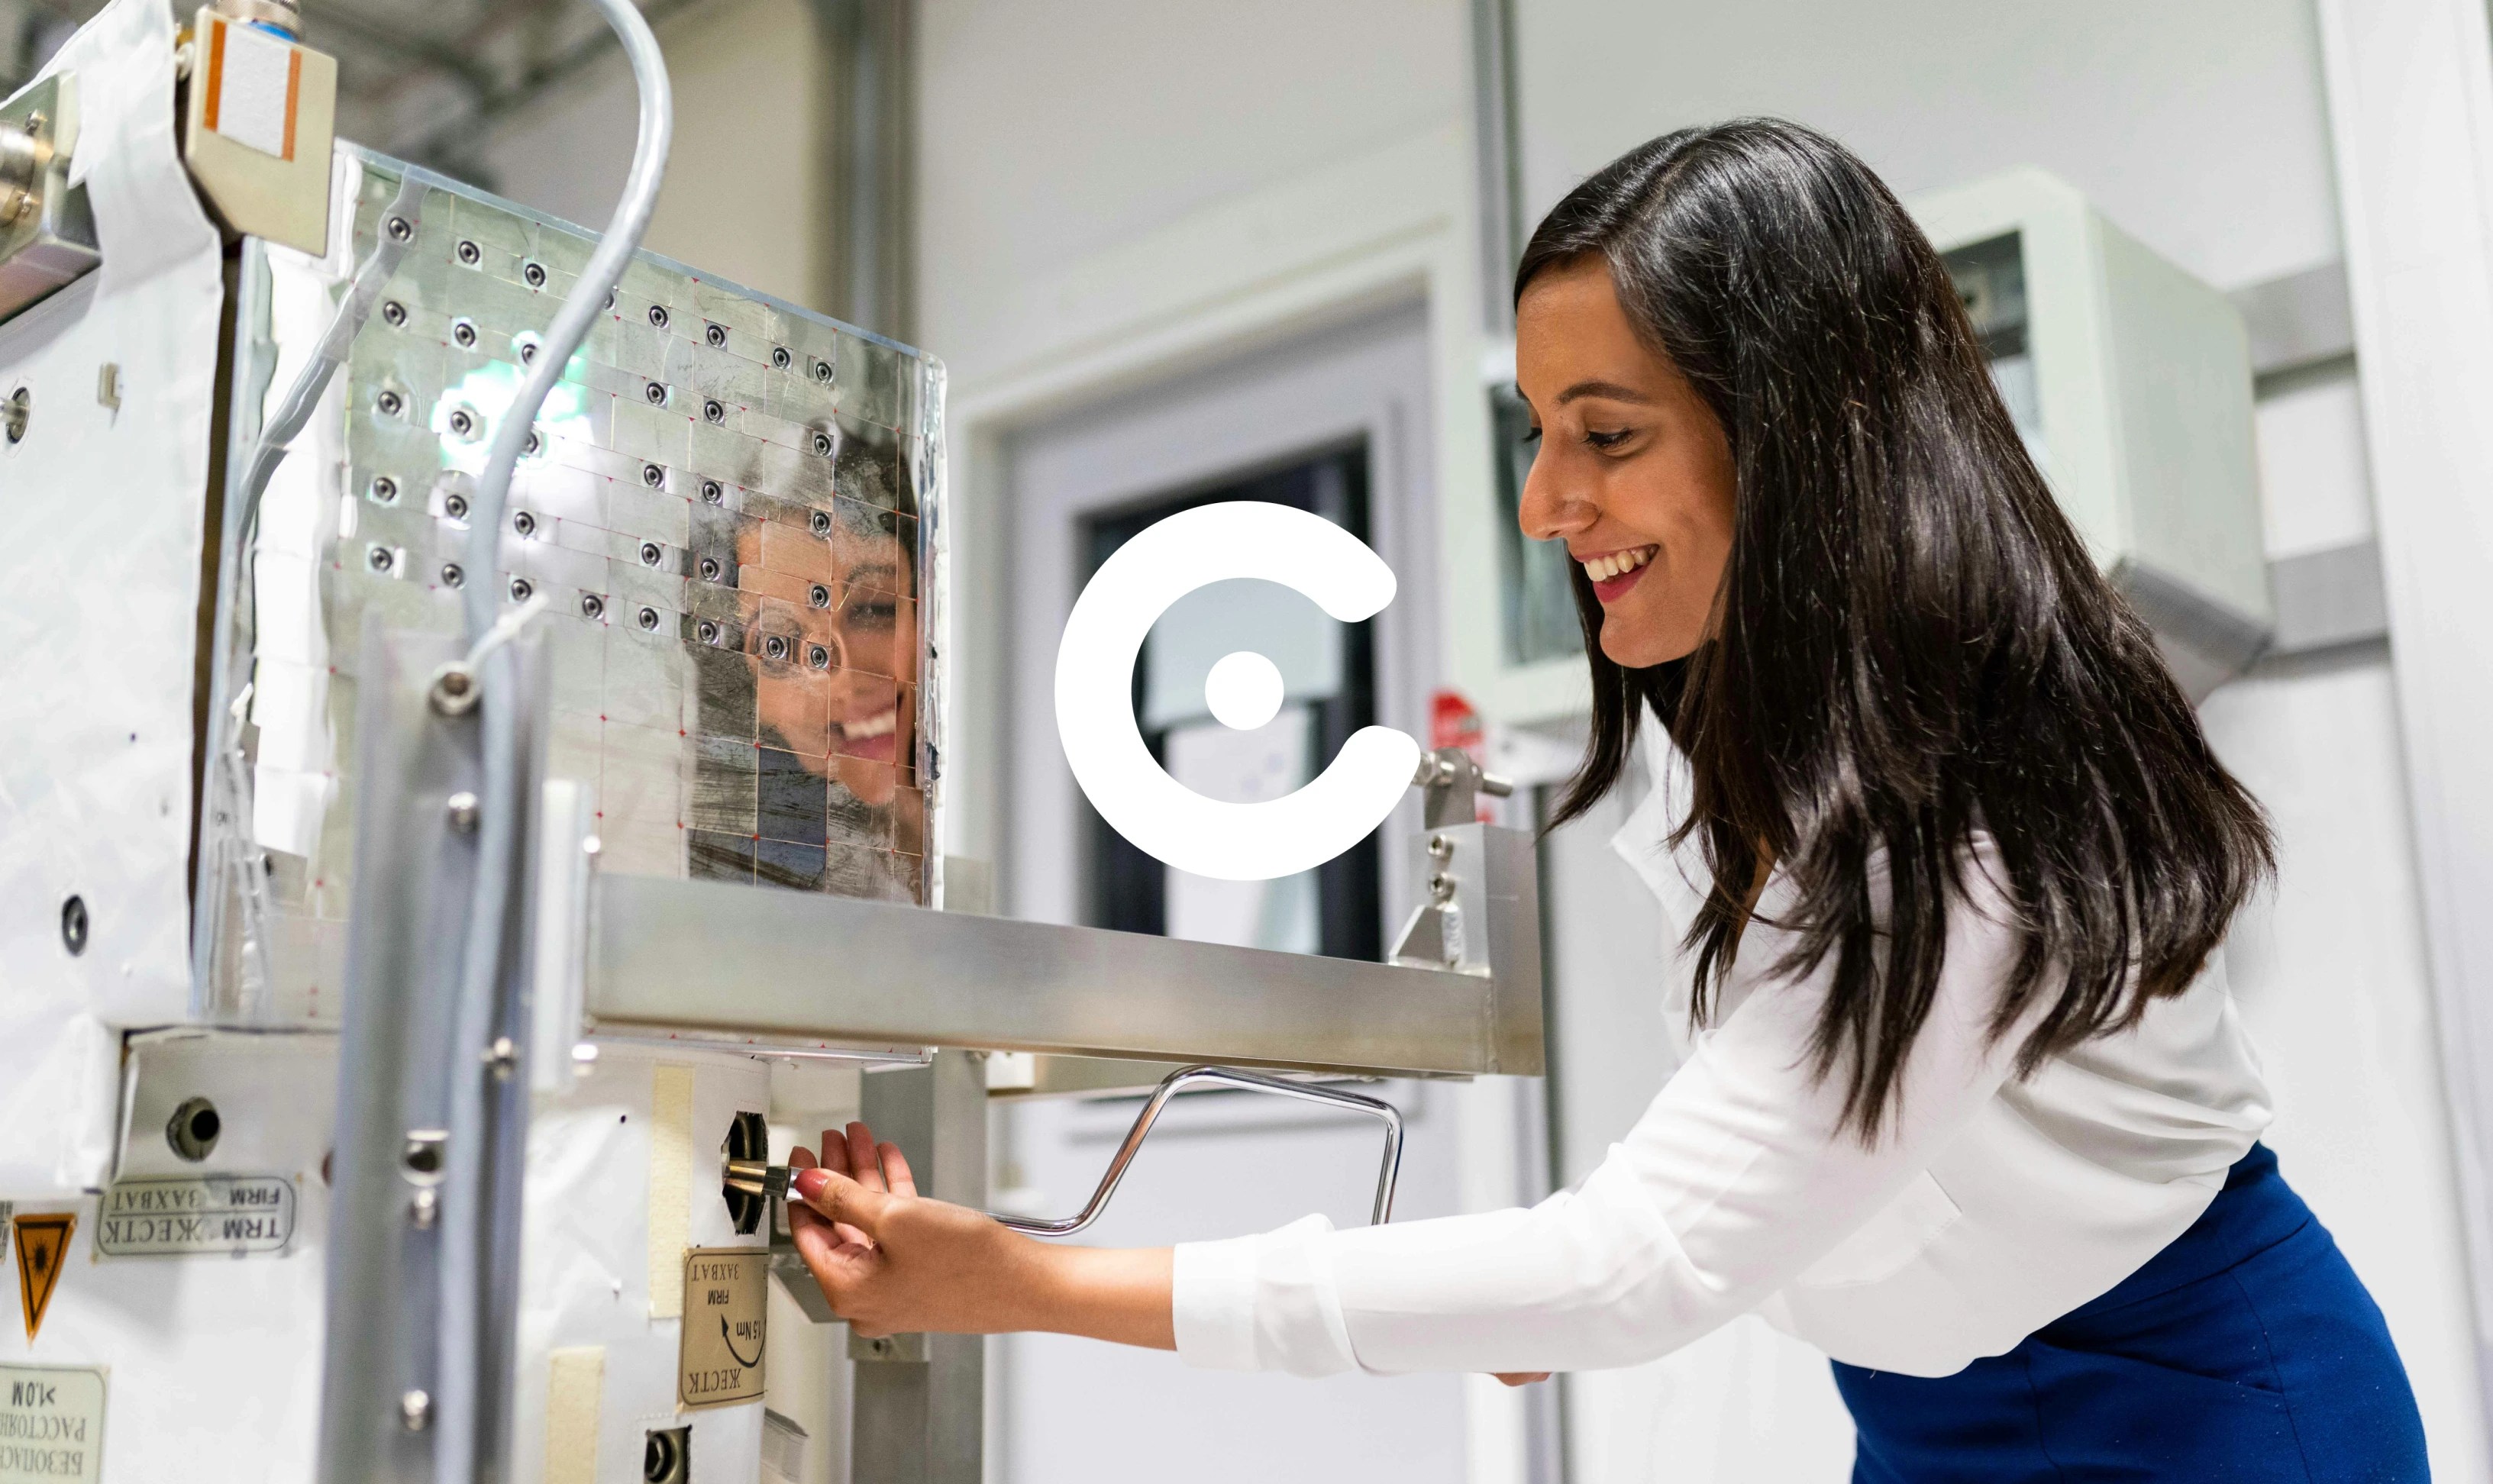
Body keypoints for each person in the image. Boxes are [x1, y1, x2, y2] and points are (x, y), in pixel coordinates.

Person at [780, 120, 2430, 1481]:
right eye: (1537, 430)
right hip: (1927, 1417)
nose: (1542, 502)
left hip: (2199, 1413)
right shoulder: (1726, 734)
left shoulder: (1976, 789)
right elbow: (1766, 1161)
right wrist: (1519, 1293)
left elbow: (1641, 1259)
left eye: (1607, 435)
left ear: (1798, 438)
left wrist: (1020, 1279)